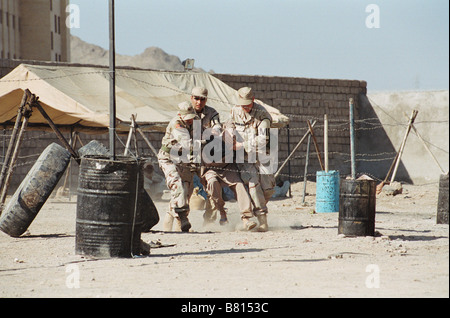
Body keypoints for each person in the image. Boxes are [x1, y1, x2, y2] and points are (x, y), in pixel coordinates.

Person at [191, 86, 254, 229]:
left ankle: (247, 218)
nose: (199, 102)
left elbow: (217, 127)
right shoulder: (187, 114)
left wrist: (217, 134)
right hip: (205, 165)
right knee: (210, 188)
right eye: (196, 98)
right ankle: (215, 218)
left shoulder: (212, 114)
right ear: (191, 98)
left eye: (202, 99)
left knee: (239, 186)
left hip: (225, 165)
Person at [230, 87, 276, 232]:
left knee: (268, 189)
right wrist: (229, 133)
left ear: (253, 100)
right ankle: (262, 220)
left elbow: (263, 139)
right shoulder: (235, 111)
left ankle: (255, 207)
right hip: (243, 157)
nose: (245, 107)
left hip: (262, 155)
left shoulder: (263, 115)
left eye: (248, 104)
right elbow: (229, 124)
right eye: (242, 104)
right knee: (253, 184)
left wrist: (242, 144)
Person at [158, 101, 199, 232]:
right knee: (177, 185)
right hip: (168, 159)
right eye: (188, 118)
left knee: (186, 192)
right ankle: (182, 218)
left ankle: (173, 228)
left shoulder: (195, 121)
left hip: (184, 159)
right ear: (180, 115)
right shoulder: (177, 123)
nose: (190, 120)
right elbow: (187, 143)